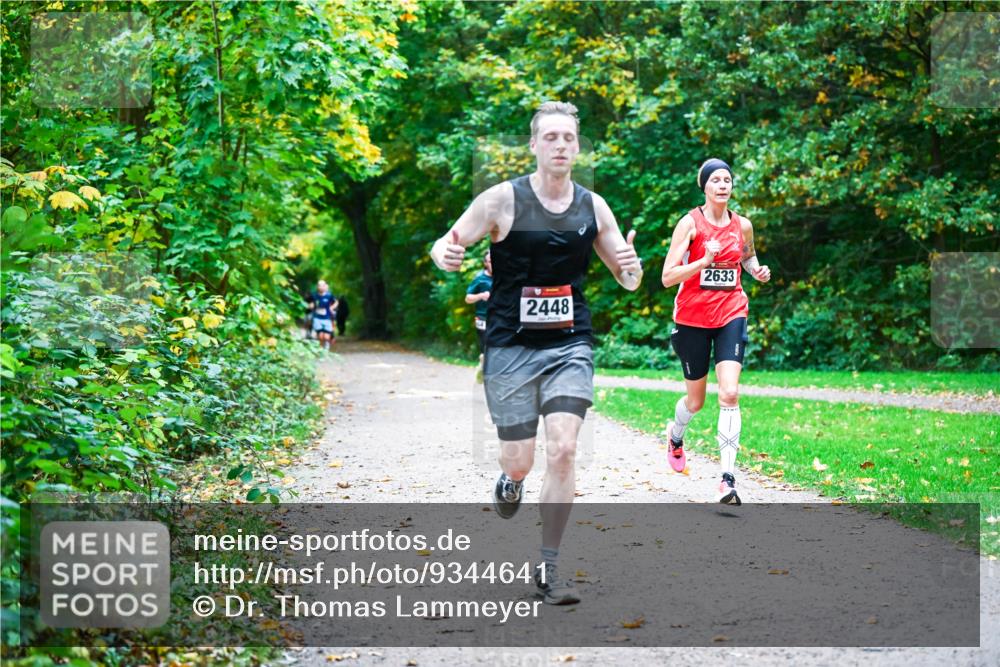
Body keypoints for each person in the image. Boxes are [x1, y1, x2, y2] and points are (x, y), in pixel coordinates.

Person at [430, 101, 643, 605]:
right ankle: (511, 479)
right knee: (521, 460)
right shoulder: (502, 200)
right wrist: (446, 254)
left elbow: (629, 280)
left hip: (570, 344)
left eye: (569, 138)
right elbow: (446, 244)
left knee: (565, 449)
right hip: (509, 346)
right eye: (551, 137)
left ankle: (549, 567)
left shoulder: (594, 207)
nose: (561, 146)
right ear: (533, 145)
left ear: (578, 146)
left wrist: (631, 266)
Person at [660, 158, 771, 505]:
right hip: (692, 319)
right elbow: (667, 277)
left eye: (727, 179)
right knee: (696, 400)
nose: (723, 185)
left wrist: (756, 270)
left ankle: (727, 480)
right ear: (705, 187)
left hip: (731, 314)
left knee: (730, 394)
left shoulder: (744, 225)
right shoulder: (689, 224)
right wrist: (702, 261)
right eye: (716, 180)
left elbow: (747, 257)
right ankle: (676, 436)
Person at [465, 249, 493, 382]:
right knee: (486, 346)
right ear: (485, 263)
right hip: (482, 317)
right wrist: (481, 295)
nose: (493, 263)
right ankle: (483, 366)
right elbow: (468, 298)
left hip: (500, 317)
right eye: (490, 261)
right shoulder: (480, 278)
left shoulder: (503, 277)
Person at [307, 280, 338, 350]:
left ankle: (327, 344)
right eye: (319, 285)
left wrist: (332, 308)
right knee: (320, 336)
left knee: (326, 337)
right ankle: (321, 349)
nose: (320, 287)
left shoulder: (329, 295)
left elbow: (336, 302)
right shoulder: (314, 295)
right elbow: (308, 303)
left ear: (325, 286)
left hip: (327, 317)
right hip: (317, 317)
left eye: (322, 285)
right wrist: (310, 305)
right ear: (317, 287)